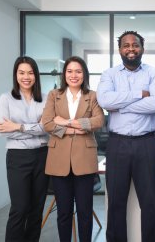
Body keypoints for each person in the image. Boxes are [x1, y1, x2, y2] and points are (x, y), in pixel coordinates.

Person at [97, 31, 155, 242]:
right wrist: (139, 95)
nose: (130, 49)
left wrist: (122, 106)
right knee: (116, 202)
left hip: (146, 143)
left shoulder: (154, 73)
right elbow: (106, 102)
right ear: (120, 50)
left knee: (148, 202)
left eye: (135, 45)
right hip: (117, 144)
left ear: (142, 48)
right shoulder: (109, 74)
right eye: (126, 45)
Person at [42, 56, 104, 242]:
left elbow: (99, 121)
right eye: (70, 71)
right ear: (64, 74)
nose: (74, 75)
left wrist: (67, 122)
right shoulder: (54, 95)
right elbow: (47, 123)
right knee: (64, 212)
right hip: (58, 160)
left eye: (78, 71)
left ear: (84, 74)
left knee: (85, 211)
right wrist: (76, 128)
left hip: (84, 159)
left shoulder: (92, 96)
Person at [0, 56, 49, 242]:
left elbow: (47, 128)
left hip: (43, 156)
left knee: (36, 209)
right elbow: (4, 132)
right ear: (16, 75)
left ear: (36, 75)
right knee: (19, 209)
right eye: (21, 72)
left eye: (30, 72)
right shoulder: (6, 99)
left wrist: (18, 127)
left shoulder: (45, 98)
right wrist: (35, 128)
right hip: (17, 157)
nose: (26, 76)